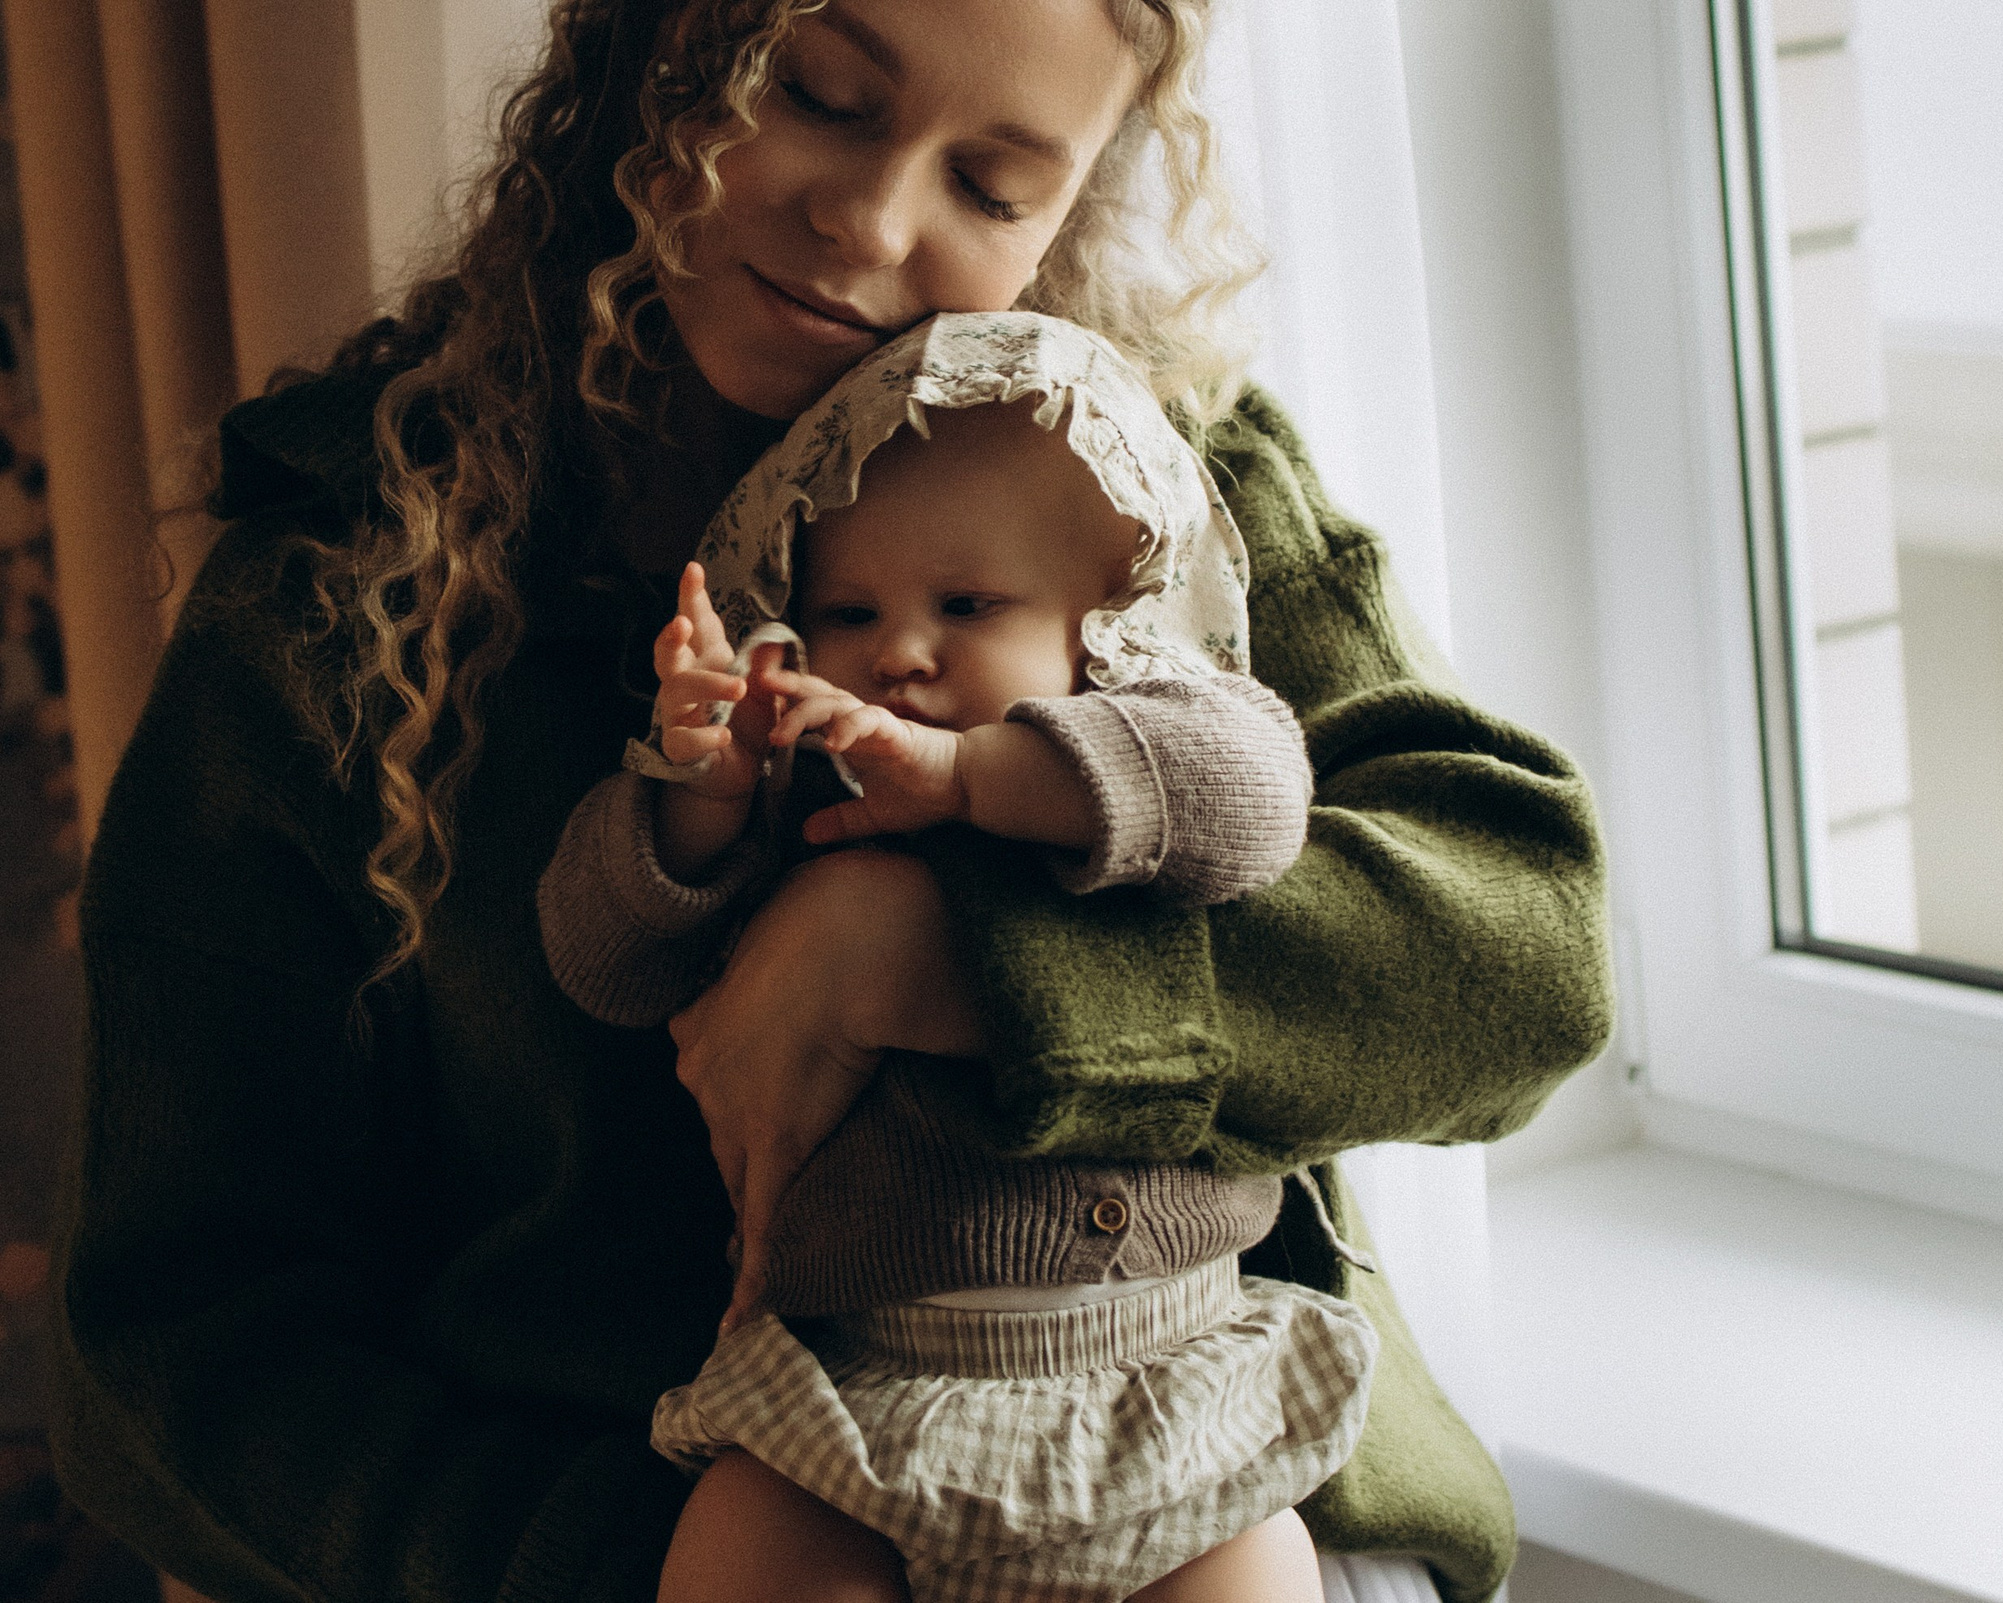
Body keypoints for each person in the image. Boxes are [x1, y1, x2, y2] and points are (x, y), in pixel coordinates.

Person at [49, 3, 1613, 1601]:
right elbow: (177, 1345)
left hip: (1199, 1510)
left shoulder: (1137, 481)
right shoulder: (335, 599)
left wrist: (950, 957)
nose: (869, 222)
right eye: (816, 95)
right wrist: (650, 1568)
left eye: (993, 190)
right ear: (649, 50)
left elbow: (1528, 957)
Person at [546, 309, 1375, 1603]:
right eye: (850, 609)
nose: (899, 653)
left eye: (967, 605)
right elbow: (603, 965)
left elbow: (1261, 800)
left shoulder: (1144, 763)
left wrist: (971, 773)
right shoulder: (804, 809)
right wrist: (695, 794)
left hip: (1170, 1393)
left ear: (1105, 625)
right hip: (864, 1405)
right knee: (739, 1555)